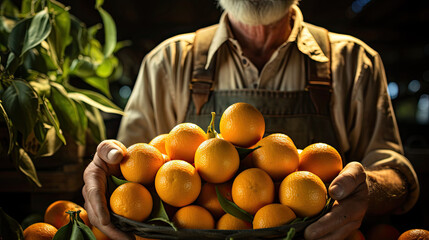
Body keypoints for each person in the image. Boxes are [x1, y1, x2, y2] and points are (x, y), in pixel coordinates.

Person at [82, 0, 420, 239]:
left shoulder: (354, 62)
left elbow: (396, 174)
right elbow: (129, 175)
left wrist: (370, 189)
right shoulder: (168, 62)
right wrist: (105, 173)